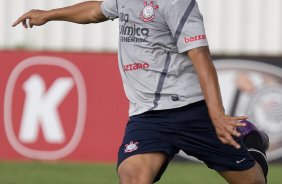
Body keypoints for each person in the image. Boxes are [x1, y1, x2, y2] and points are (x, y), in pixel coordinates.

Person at [12, 0, 269, 183]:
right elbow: (95, 10)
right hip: (148, 117)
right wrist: (48, 14)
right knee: (133, 178)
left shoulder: (176, 3)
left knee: (253, 182)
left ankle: (254, 143)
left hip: (191, 112)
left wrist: (217, 115)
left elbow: (201, 57)